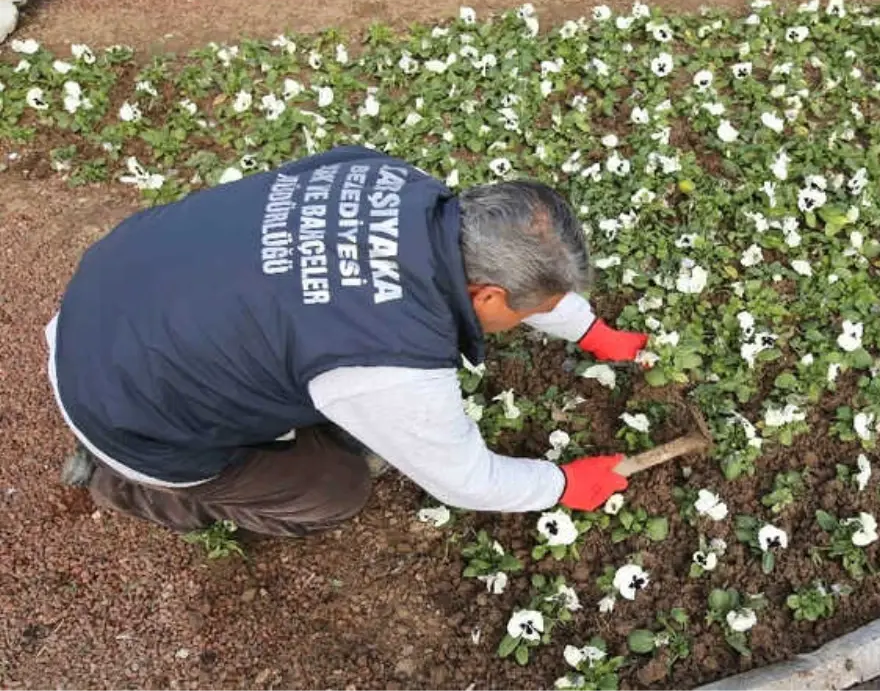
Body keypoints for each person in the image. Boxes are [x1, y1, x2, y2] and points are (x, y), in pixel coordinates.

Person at [47, 145, 648, 537]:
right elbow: (464, 480)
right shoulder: (390, 362)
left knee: (316, 383)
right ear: (487, 297)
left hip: (111, 288)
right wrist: (564, 484)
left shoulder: (387, 178)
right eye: (530, 313)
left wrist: (590, 331)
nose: (527, 317)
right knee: (337, 486)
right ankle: (122, 481)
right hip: (123, 409)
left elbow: (520, 273)